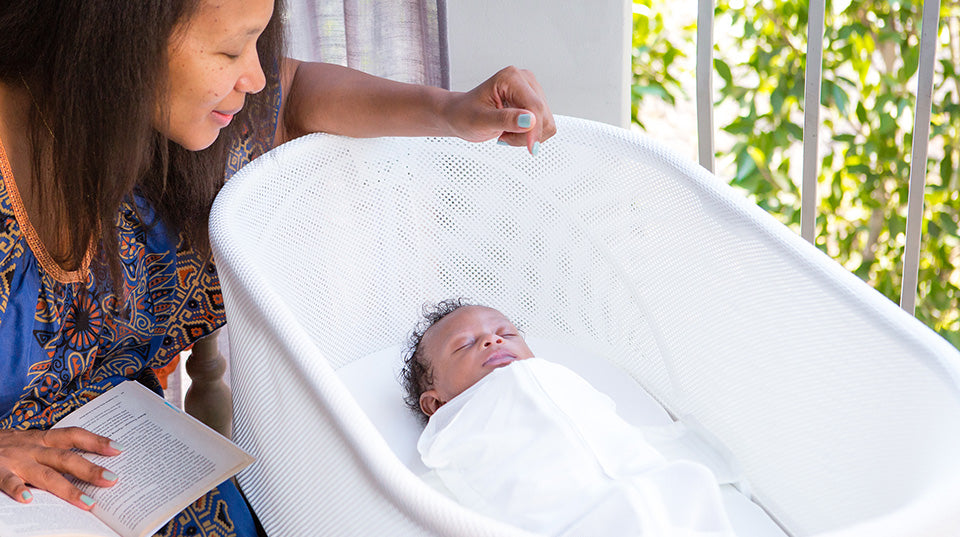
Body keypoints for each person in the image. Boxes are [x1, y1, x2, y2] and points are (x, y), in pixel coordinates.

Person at [0, 0, 555, 535]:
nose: (255, 77)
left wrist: (451, 112)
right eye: (229, 50)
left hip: (122, 451)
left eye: (257, 43)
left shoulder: (136, 121)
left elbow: (293, 96)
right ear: (115, 38)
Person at [400, 300, 736, 536]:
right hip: (569, 516)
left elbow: (613, 432)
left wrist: (692, 447)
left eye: (508, 333)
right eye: (465, 345)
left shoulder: (554, 380)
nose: (493, 339)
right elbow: (454, 481)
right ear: (435, 404)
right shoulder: (456, 424)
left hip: (653, 492)